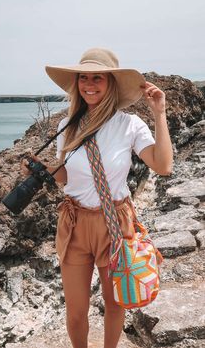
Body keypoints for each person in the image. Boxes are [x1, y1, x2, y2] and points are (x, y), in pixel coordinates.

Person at [21, 48, 173, 348]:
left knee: (114, 303)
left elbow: (163, 165)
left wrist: (160, 113)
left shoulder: (129, 125)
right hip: (75, 223)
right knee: (76, 312)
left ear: (111, 83)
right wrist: (43, 170)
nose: (89, 84)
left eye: (98, 78)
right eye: (84, 78)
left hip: (114, 222)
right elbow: (66, 177)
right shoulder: (66, 125)